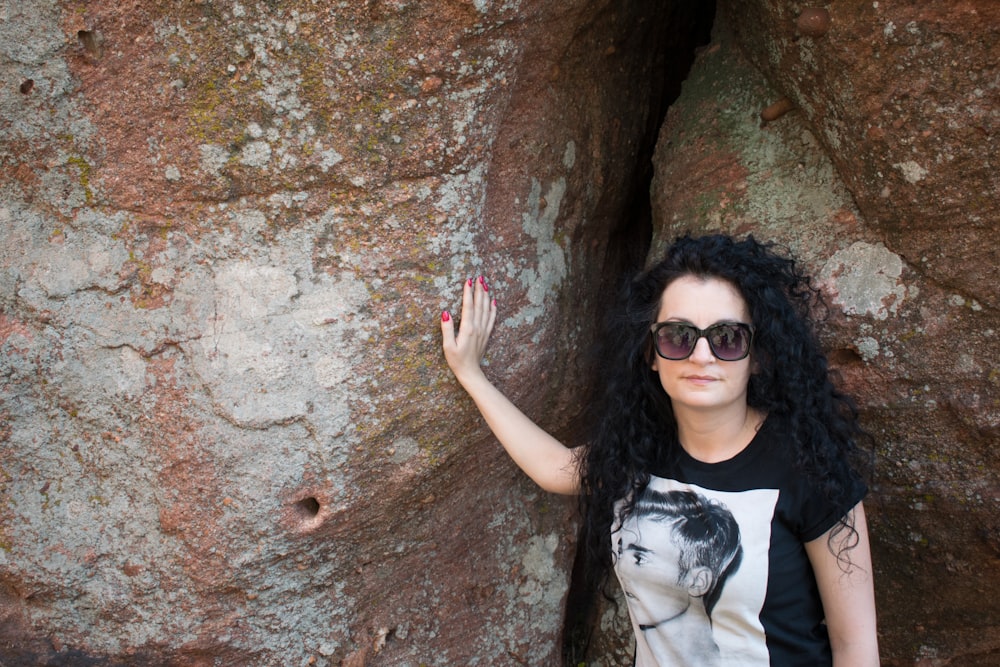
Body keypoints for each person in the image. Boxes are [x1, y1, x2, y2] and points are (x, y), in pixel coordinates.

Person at [440, 234, 879, 666]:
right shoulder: (638, 450)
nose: (701, 356)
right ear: (651, 353)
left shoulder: (811, 469)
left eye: (727, 337)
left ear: (757, 354)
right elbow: (555, 468)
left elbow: (854, 647)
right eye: (678, 336)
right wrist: (471, 374)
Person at [616, 487, 743, 667]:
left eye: (639, 558)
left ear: (699, 581)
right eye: (620, 552)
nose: (622, 568)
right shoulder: (631, 479)